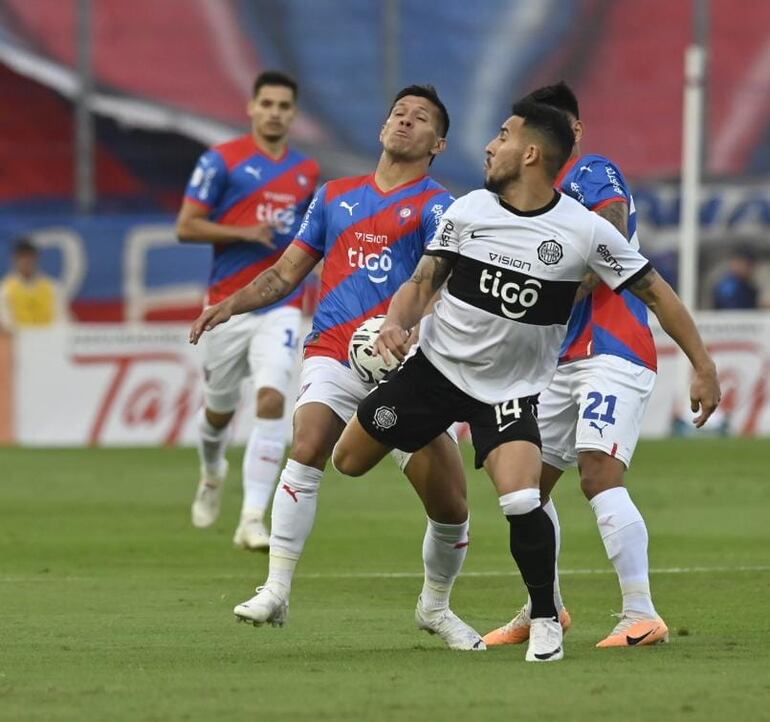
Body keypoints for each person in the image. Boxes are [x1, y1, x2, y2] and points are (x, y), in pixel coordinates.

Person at [331, 100, 721, 663]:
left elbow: (657, 292)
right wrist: (396, 320)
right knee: (348, 460)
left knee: (521, 498)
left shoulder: (584, 231)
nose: (490, 145)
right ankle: (432, 433)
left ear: (531, 153)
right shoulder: (468, 210)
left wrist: (702, 365)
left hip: (508, 394)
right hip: (433, 374)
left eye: (503, 135)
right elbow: (423, 279)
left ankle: (545, 620)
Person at [190, 85, 484, 651]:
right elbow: (284, 275)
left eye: (419, 118)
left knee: (450, 506)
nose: (404, 121)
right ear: (382, 128)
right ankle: (275, 589)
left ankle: (436, 607)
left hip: (409, 368)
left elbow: (434, 280)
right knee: (308, 442)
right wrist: (229, 305)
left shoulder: (439, 207)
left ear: (438, 142)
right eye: (397, 112)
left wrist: (409, 324)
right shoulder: (334, 196)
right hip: (334, 351)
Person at [483, 82, 673, 648]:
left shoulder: (591, 171)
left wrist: (557, 288)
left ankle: (641, 613)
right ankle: (547, 605)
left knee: (598, 475)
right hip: (557, 363)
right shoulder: (516, 201)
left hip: (612, 350)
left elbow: (612, 230)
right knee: (526, 490)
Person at [178, 71, 320, 550]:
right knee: (218, 412)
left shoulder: (307, 174)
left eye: (284, 105)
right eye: (268, 104)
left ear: (293, 113)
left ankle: (252, 518)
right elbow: (186, 226)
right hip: (225, 304)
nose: (276, 112)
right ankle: (212, 470)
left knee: (272, 399)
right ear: (252, 108)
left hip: (280, 304)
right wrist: (244, 234)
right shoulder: (221, 161)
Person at [0, 238, 62, 330]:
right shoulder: (5, 289)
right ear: (14, 259)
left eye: (30, 256)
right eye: (22, 256)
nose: (26, 261)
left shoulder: (53, 287)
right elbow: (5, 321)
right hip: (17, 340)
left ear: (36, 258)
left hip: (49, 339)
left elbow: (61, 318)